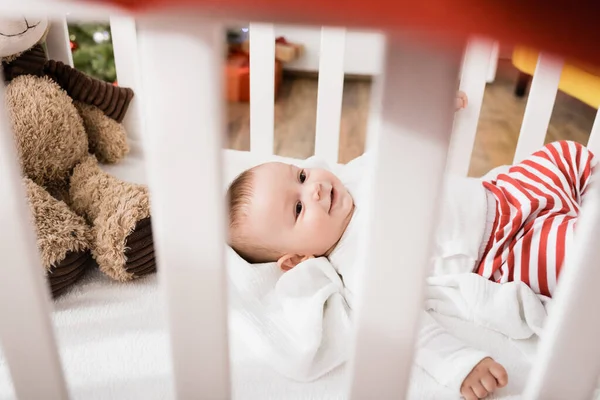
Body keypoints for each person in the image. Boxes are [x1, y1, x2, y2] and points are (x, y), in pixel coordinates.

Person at [225, 95, 596, 399]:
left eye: (301, 176)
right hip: (510, 250)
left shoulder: (357, 175)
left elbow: (407, 146)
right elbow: (411, 330)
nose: (315, 189)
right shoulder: (358, 266)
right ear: (299, 259)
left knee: (566, 154)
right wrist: (461, 365)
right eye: (299, 208)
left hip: (508, 192)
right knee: (577, 255)